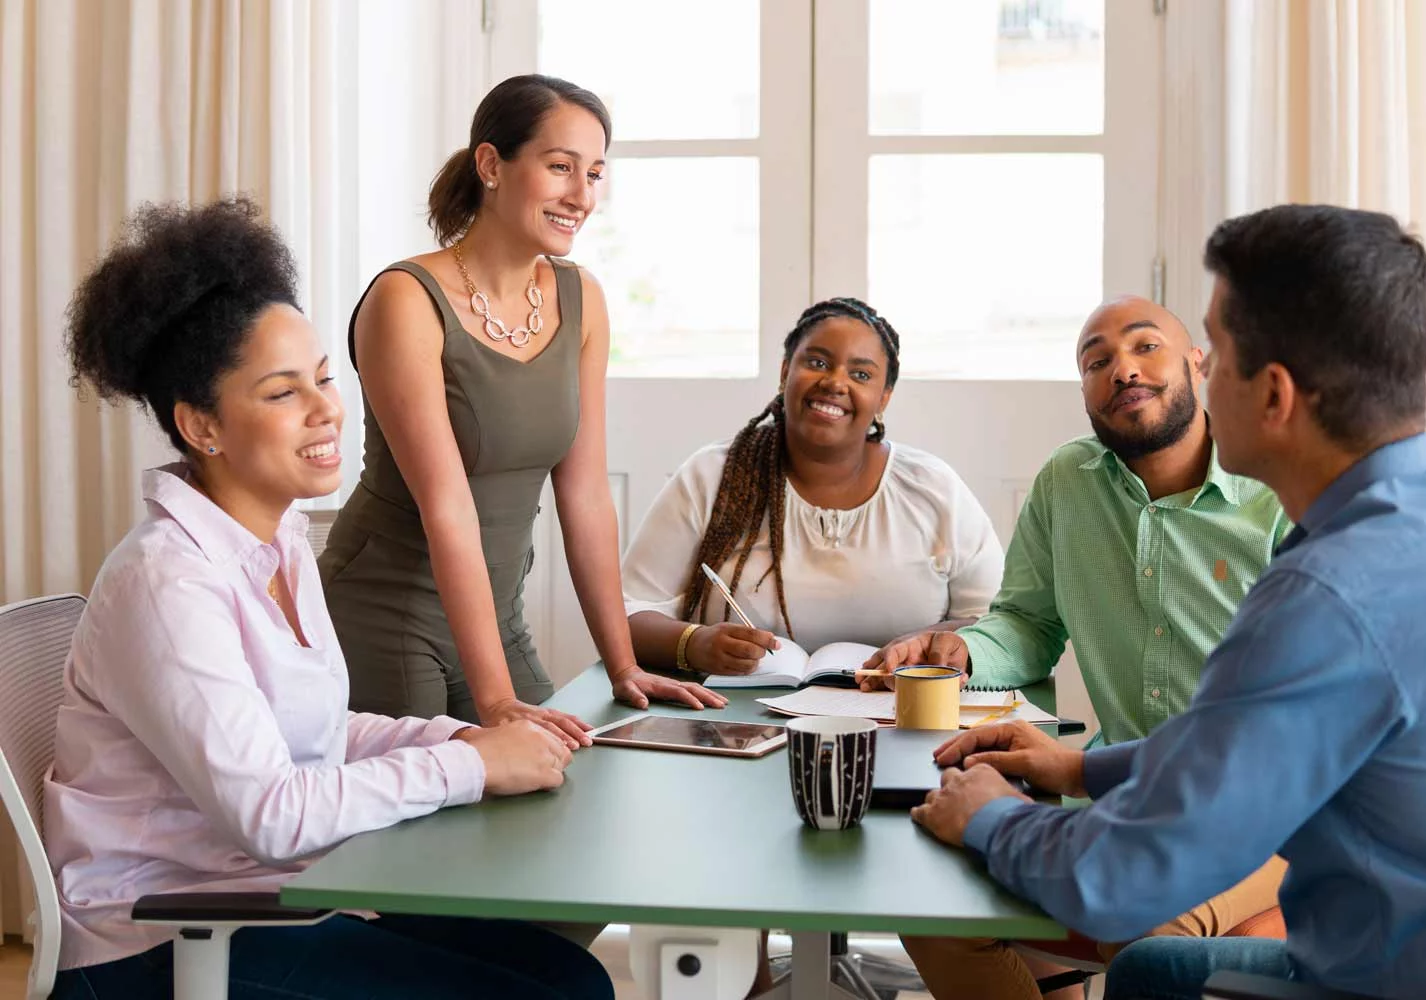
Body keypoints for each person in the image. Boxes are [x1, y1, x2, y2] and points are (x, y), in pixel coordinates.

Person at [912, 204, 1426, 1000]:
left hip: (1387, 982)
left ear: (1274, 396)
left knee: (1117, 941)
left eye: (1215, 356)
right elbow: (1243, 740)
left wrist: (988, 815)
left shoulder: (1324, 597)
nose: (1198, 376)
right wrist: (1082, 767)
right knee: (1155, 974)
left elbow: (1124, 877)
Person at [45, 197, 611, 1000]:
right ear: (201, 426)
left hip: (270, 902)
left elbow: (315, 735)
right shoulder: (167, 585)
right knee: (555, 994)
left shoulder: (278, 542)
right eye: (282, 394)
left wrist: (469, 735)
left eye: (322, 378)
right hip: (161, 944)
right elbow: (275, 814)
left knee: (565, 971)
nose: (327, 410)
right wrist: (467, 765)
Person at [866, 297, 1291, 999]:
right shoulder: (1069, 479)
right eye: (1096, 361)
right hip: (1118, 796)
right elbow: (1028, 625)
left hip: (1265, 812)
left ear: (1198, 363)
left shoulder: (1275, 496)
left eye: (1145, 347)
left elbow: (1288, 733)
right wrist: (961, 651)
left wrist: (1067, 769)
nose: (1121, 369)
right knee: (929, 895)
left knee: (1147, 934)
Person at [319, 75, 721, 747]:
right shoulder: (405, 300)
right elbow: (446, 507)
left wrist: (623, 662)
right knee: (435, 832)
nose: (581, 195)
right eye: (560, 167)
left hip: (496, 618)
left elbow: (587, 494)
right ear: (491, 165)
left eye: (593, 173)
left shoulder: (580, 298)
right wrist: (497, 701)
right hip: (387, 615)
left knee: (570, 777)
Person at [621, 297, 1005, 676]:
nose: (835, 382)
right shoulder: (712, 477)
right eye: (817, 362)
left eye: (861, 374)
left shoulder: (932, 488)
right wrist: (694, 644)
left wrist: (926, 643)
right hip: (730, 719)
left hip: (905, 714)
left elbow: (1000, 622)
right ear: (786, 370)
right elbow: (627, 609)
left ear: (884, 397)